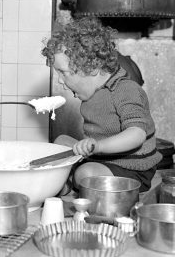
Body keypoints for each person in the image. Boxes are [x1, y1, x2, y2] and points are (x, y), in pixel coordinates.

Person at [41, 17, 162, 192]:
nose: (60, 81)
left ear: (92, 69)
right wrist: (93, 148)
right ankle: (68, 181)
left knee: (86, 173)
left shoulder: (125, 89)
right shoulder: (93, 92)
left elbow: (136, 135)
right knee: (60, 142)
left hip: (132, 168)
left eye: (64, 73)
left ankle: (68, 182)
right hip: (101, 158)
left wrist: (99, 146)